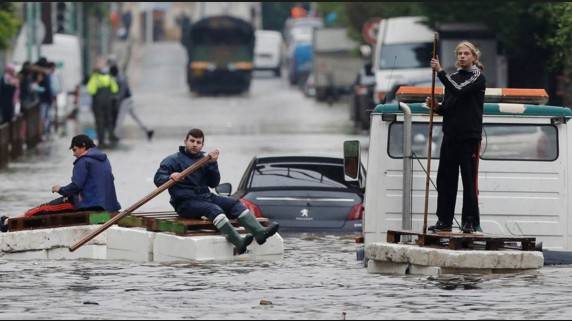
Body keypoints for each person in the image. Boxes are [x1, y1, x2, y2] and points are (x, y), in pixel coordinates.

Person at [154, 128, 279, 254]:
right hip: (185, 203)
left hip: (205, 197)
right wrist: (171, 177)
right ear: (185, 141)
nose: (195, 145)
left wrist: (213, 164)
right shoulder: (172, 160)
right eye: (192, 141)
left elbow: (213, 183)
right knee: (213, 209)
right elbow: (158, 179)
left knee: (234, 203)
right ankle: (238, 242)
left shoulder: (204, 160)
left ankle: (259, 233)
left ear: (202, 145)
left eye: (198, 142)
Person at [0, 135, 122, 232]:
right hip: (108, 206)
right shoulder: (104, 160)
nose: (73, 154)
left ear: (83, 146)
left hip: (87, 204)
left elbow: (76, 186)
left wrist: (60, 189)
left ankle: (8, 222)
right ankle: (11, 219)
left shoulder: (83, 161)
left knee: (44, 208)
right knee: (47, 207)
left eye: (74, 149)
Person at [426, 41, 486, 234]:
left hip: (469, 137)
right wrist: (436, 107)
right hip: (450, 135)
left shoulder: (478, 77)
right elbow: (449, 106)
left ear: (474, 57)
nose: (462, 56)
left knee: (468, 180)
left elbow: (459, 90)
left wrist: (440, 71)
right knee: (445, 179)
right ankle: (444, 220)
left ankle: (469, 220)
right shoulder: (452, 78)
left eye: (466, 53)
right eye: (459, 53)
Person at [109, 65, 154, 141]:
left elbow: (122, 93)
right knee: (135, 117)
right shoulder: (120, 76)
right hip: (129, 99)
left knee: (120, 118)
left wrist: (116, 99)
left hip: (125, 101)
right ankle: (147, 130)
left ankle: (115, 135)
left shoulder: (120, 79)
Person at [87, 61, 119, 147]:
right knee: (109, 120)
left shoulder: (95, 77)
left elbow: (90, 90)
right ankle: (111, 137)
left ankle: (101, 141)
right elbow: (115, 89)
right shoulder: (109, 77)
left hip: (98, 103)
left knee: (99, 122)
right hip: (108, 103)